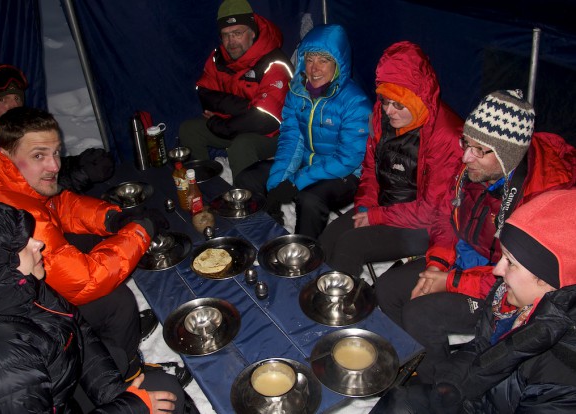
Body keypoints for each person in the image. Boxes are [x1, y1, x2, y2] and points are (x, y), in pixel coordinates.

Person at [376, 89, 576, 383]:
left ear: (508, 156)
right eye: (466, 143)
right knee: (388, 288)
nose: (465, 155)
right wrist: (437, 265)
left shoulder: (537, 200)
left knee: (421, 313)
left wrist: (450, 282)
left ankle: (439, 387)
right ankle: (414, 360)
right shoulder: (475, 168)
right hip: (462, 263)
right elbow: (447, 218)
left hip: (506, 286)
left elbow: (518, 278)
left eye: (479, 149)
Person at [0, 107, 169, 382]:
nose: (55, 166)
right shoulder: (17, 212)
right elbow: (85, 280)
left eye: (56, 152)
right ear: (6, 155)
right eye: (39, 156)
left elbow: (57, 204)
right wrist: (142, 230)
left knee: (93, 241)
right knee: (117, 302)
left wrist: (113, 218)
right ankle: (122, 375)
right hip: (15, 331)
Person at [0, 197, 185, 413]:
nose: (38, 243)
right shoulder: (2, 373)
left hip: (60, 388)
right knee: (166, 392)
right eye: (21, 245)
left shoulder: (22, 286)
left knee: (125, 356)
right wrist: (131, 407)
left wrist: (114, 393)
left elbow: (76, 329)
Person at [371, 189, 576, 413]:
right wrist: (447, 384)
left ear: (551, 279)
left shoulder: (562, 371)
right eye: (502, 257)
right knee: (398, 402)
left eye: (511, 262)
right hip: (475, 397)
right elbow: (481, 347)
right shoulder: (509, 305)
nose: (497, 271)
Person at [318, 41, 463, 277]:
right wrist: (365, 204)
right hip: (384, 205)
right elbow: (370, 169)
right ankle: (318, 292)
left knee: (350, 246)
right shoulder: (382, 116)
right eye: (385, 100)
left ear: (417, 101)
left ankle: (339, 303)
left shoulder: (446, 136)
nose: (388, 111)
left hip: (422, 226)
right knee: (329, 237)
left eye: (398, 104)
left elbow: (433, 210)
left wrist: (376, 216)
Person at [235, 24, 372, 239]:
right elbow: (292, 141)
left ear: (338, 64)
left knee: (310, 199)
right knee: (249, 179)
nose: (314, 68)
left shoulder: (355, 103)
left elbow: (347, 159)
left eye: (323, 60)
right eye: (309, 59)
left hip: (346, 174)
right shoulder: (297, 92)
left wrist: (296, 181)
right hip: (307, 162)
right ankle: (263, 235)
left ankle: (304, 254)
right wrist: (276, 183)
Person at [0, 58, 114, 191]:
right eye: (2, 100)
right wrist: (78, 174)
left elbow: (32, 166)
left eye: (17, 99)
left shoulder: (9, 130)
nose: (13, 107)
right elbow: (15, 188)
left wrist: (80, 165)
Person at [178, 0, 293, 180]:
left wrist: (223, 125)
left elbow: (267, 119)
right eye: (225, 35)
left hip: (276, 135)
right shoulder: (219, 58)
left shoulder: (274, 63)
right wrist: (247, 109)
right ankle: (205, 187)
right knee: (189, 129)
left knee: (241, 145)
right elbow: (204, 92)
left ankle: (246, 201)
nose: (231, 42)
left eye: (237, 33)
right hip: (234, 125)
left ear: (252, 32)